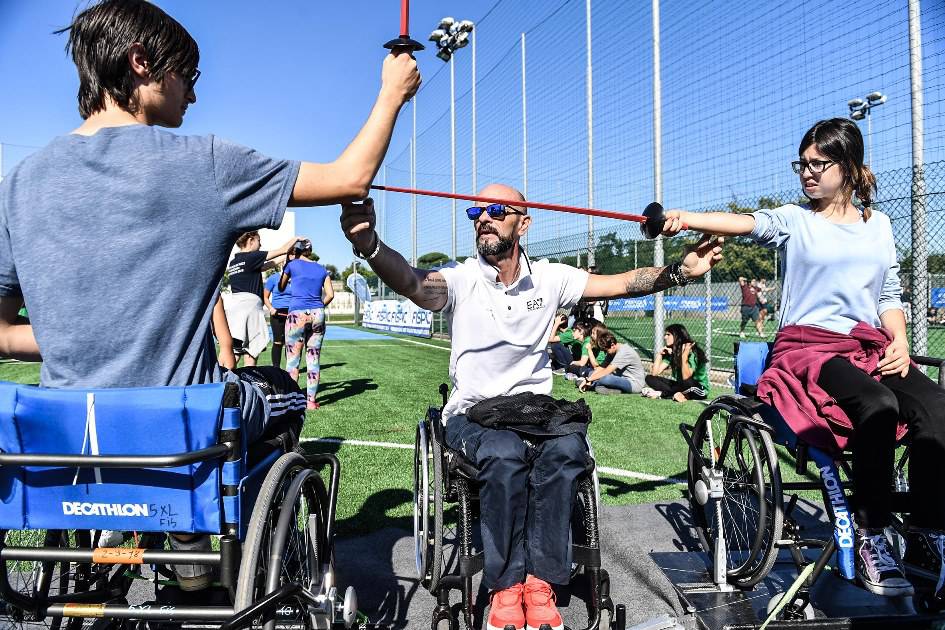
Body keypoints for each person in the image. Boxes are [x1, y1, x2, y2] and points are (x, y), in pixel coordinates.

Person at [0, 0, 419, 591]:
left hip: (70, 442)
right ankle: (197, 551)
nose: (192, 96)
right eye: (188, 77)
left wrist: (85, 334)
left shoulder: (16, 184)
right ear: (142, 63)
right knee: (280, 391)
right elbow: (349, 176)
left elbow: (2, 333)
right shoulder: (206, 164)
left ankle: (144, 543)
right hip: (177, 435)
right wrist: (392, 91)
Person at [340, 184, 722, 630]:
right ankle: (505, 587)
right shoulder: (462, 279)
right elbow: (411, 281)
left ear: (524, 223)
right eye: (477, 211)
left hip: (535, 411)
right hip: (474, 414)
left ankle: (540, 583)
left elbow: (621, 283)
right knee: (503, 453)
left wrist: (681, 270)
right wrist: (369, 245)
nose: (484, 217)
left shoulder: (551, 278)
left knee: (567, 451)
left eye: (497, 210)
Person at [662, 117, 945, 598]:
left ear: (849, 166)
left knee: (936, 407)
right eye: (803, 164)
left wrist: (897, 338)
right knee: (877, 405)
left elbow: (890, 294)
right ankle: (872, 531)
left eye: (820, 163)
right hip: (807, 348)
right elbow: (748, 223)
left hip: (868, 344)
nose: (808, 172)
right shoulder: (796, 219)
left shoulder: (879, 225)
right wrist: (686, 218)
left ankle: (929, 530)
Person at [225, 231, 300, 366]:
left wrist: (286, 257)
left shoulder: (235, 261)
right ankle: (249, 382)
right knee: (251, 351)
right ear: (251, 240)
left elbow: (268, 265)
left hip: (235, 309)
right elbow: (282, 250)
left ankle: (224, 381)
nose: (260, 245)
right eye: (259, 241)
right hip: (250, 307)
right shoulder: (252, 256)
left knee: (235, 351)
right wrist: (296, 239)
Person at [279, 240, 334, 410]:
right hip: (318, 313)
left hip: (297, 313)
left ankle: (292, 401)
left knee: (293, 361)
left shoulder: (292, 264)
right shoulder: (321, 268)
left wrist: (286, 264)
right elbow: (330, 295)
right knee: (314, 359)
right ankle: (310, 401)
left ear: (296, 250)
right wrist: (317, 306)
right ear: (310, 251)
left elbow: (281, 287)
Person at [642, 324, 710, 402]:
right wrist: (659, 355)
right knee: (649, 378)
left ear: (677, 336)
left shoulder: (691, 350)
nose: (665, 337)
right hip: (682, 386)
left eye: (668, 335)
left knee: (688, 385)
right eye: (665, 335)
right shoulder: (672, 351)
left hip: (697, 388)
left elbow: (687, 378)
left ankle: (662, 394)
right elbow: (654, 373)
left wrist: (684, 355)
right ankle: (677, 394)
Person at [576, 330, 646, 394]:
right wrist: (590, 378)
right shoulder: (611, 351)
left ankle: (591, 386)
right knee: (592, 373)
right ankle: (608, 388)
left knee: (605, 378)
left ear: (612, 345)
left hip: (633, 384)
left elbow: (607, 371)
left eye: (606, 350)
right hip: (620, 378)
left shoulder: (624, 352)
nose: (605, 353)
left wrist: (588, 380)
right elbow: (602, 367)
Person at [264, 265, 292, 369]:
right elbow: (265, 297)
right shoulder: (273, 278)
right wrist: (271, 308)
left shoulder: (296, 278)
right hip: (277, 313)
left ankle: (290, 368)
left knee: (290, 342)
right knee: (278, 342)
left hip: (292, 313)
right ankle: (276, 369)